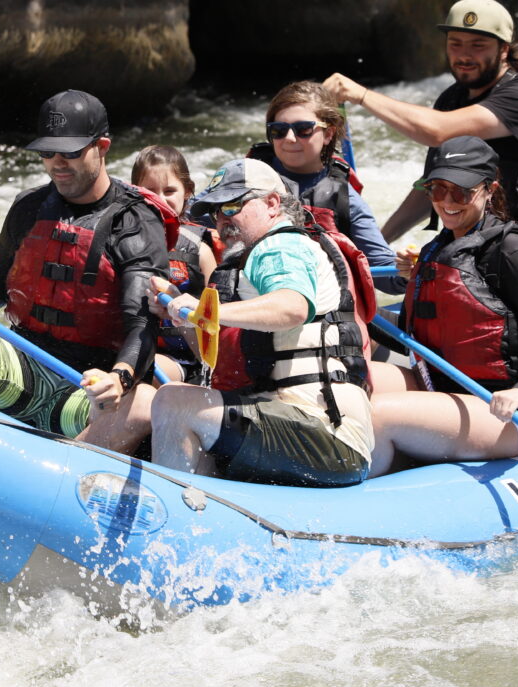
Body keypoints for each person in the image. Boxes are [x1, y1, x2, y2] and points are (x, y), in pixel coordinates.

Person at [0, 90, 174, 454]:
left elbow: (143, 322)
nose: (56, 163)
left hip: (89, 390)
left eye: (69, 152)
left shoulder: (134, 222)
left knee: (145, 402)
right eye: (46, 153)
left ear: (102, 146)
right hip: (27, 372)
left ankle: (56, 474)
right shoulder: (30, 207)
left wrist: (120, 378)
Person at [148, 159, 375, 487]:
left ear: (271, 203)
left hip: (325, 432)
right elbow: (213, 356)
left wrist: (205, 310)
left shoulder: (280, 245)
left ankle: (169, 522)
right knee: (188, 401)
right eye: (216, 211)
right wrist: (181, 315)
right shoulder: (250, 262)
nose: (223, 219)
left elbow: (293, 307)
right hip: (288, 421)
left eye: (232, 205)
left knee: (173, 402)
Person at [368, 136, 518, 478]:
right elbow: (411, 339)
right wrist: (356, 303)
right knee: (342, 381)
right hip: (439, 386)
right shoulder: (439, 247)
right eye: (437, 189)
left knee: (378, 413)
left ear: (489, 189)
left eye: (460, 192)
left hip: (503, 409)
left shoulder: (513, 250)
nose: (447, 202)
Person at [322, 0, 518, 241]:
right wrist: (379, 243)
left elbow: (437, 131)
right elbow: (430, 187)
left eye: (478, 45)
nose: (464, 55)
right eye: (456, 44)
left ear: (503, 50)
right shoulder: (451, 99)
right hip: (481, 242)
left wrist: (362, 95)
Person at [246, 80, 400, 291]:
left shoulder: (345, 199)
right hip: (248, 299)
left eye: (303, 129)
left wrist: (409, 270)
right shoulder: (243, 175)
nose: (289, 138)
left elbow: (384, 274)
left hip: (318, 310)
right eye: (279, 130)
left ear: (328, 134)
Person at [131, 144, 218, 383]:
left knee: (143, 366)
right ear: (133, 192)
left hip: (183, 360)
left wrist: (177, 313)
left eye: (169, 191)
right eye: (149, 191)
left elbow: (217, 324)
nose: (159, 200)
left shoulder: (200, 252)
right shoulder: (120, 240)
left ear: (187, 192)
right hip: (128, 347)